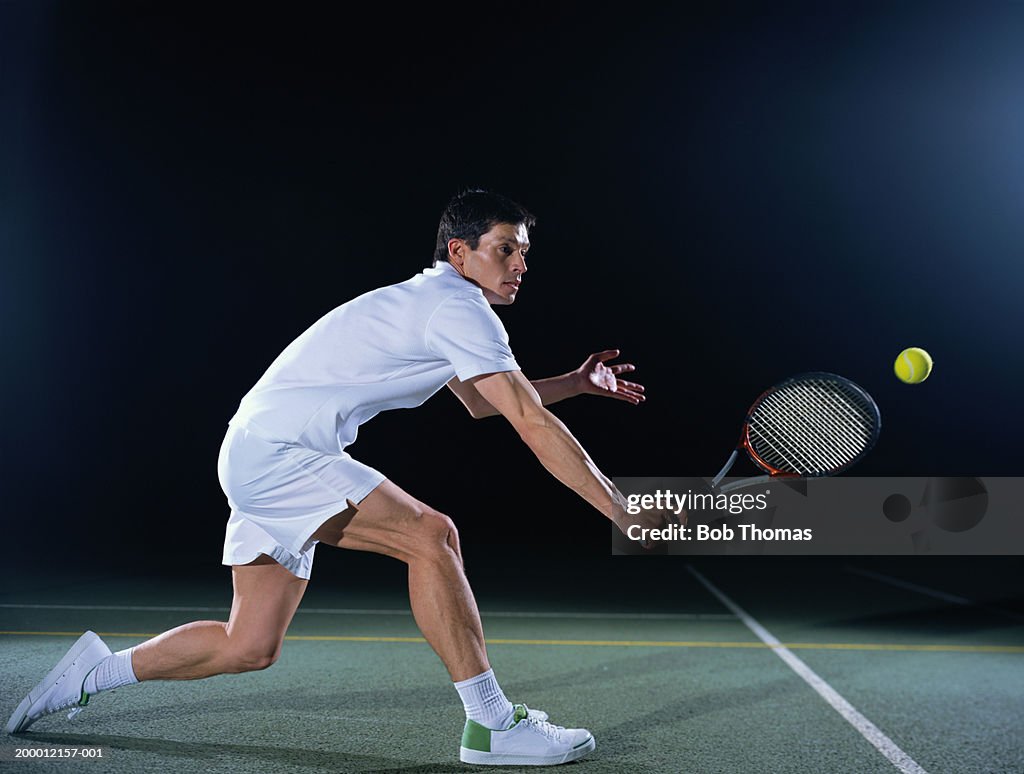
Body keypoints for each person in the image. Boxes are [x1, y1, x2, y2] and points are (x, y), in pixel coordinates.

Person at [6, 189, 662, 766]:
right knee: (430, 536)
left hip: (260, 448)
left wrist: (573, 384)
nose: (520, 264)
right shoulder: (459, 308)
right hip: (282, 450)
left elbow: (484, 401)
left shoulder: (439, 303)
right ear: (460, 253)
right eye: (505, 250)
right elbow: (526, 421)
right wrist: (619, 507)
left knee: (248, 645)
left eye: (523, 252)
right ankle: (491, 726)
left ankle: (93, 674)